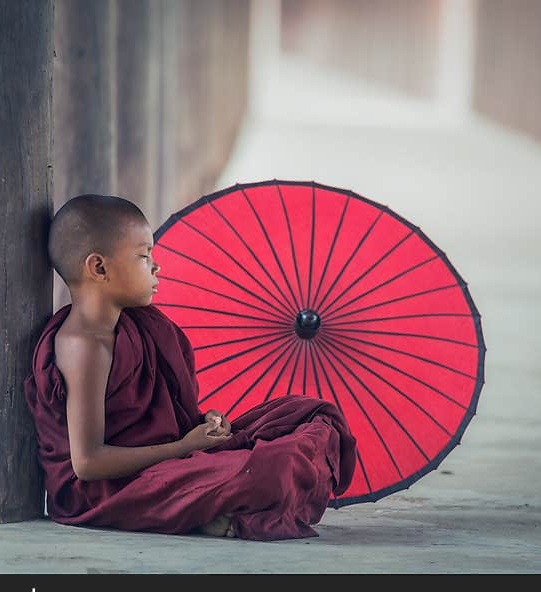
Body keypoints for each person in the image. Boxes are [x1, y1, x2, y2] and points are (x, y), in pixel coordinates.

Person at [23, 194, 356, 541]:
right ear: (99, 268)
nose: (156, 267)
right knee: (278, 466)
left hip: (162, 461)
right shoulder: (84, 346)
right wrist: (184, 447)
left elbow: (164, 418)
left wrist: (204, 425)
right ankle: (203, 512)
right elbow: (88, 464)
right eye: (143, 256)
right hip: (108, 491)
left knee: (309, 414)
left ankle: (205, 507)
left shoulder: (137, 325)